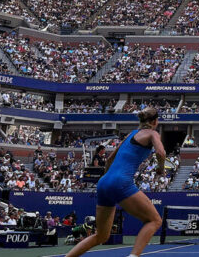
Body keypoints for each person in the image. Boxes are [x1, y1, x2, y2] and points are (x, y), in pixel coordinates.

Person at [65, 108, 166, 257]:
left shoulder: (131, 134)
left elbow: (111, 158)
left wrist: (107, 180)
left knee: (101, 235)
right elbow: (161, 153)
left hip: (104, 182)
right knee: (155, 220)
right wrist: (160, 168)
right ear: (154, 122)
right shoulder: (153, 133)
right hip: (121, 182)